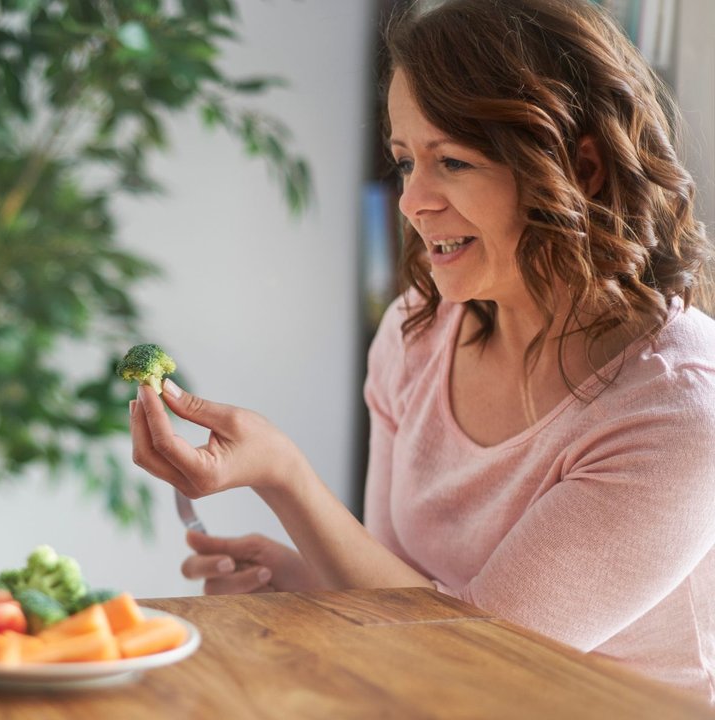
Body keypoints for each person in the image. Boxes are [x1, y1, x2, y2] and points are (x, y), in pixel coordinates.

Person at [130, 0, 715, 700]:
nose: (412, 201)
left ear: (582, 168)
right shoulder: (419, 331)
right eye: (406, 161)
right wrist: (300, 576)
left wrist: (284, 476)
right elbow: (410, 600)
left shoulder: (678, 411)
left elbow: (483, 666)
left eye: (455, 162)